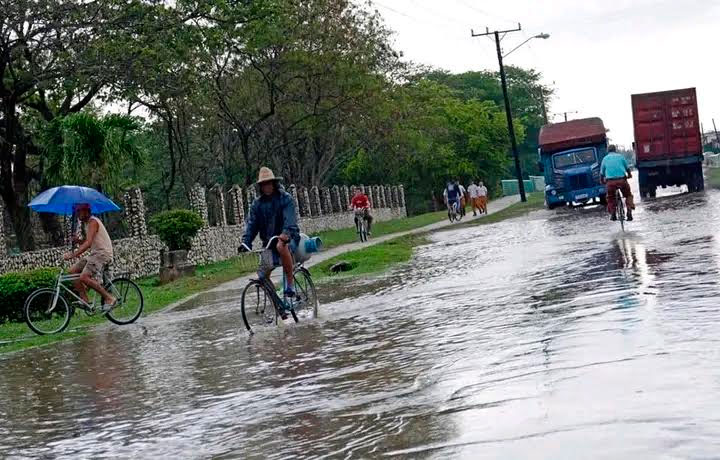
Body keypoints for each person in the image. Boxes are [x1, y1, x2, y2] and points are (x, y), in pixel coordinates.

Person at [239, 167, 300, 317]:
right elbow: (251, 225)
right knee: (262, 275)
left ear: (274, 183)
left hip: (288, 239)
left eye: (269, 183)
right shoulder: (257, 205)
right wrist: (246, 242)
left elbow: (290, 220)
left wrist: (285, 234)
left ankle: (290, 285)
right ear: (261, 186)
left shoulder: (285, 199)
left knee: (281, 245)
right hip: (268, 244)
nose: (267, 187)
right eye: (264, 184)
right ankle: (279, 306)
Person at [63, 203, 116, 310]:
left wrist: (73, 255)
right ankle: (84, 300)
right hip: (94, 254)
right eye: (76, 212)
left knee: (84, 277)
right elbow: (88, 242)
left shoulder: (93, 222)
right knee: (72, 272)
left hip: (102, 254)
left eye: (79, 211)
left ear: (86, 211)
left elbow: (88, 243)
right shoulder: (86, 224)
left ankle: (109, 298)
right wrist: (78, 241)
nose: (77, 214)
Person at [601, 145, 635, 221]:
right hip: (622, 181)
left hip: (610, 182)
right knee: (628, 195)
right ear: (615, 150)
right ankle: (629, 211)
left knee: (610, 198)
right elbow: (627, 168)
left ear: (608, 151)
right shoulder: (621, 157)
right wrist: (629, 175)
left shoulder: (605, 159)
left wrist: (602, 181)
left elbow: (602, 173)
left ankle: (613, 213)